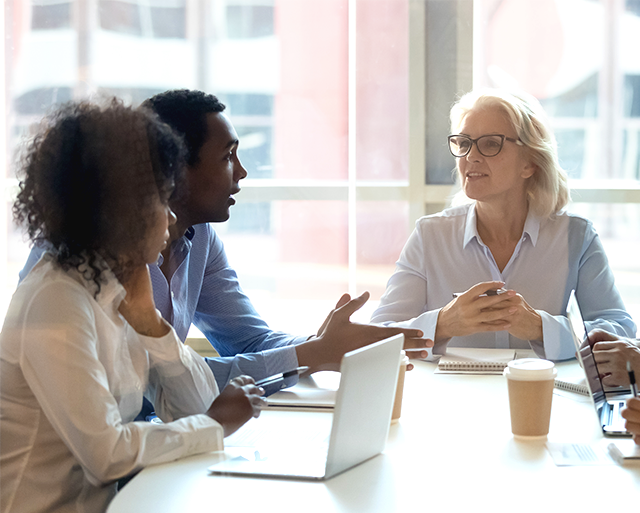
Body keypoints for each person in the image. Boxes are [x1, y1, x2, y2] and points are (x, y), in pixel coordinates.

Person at [20, 89, 431, 399]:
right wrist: (312, 354)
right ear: (173, 167)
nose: (243, 172)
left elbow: (249, 341)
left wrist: (324, 343)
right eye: (228, 157)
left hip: (152, 436)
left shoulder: (200, 239)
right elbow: (152, 383)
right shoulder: (86, 254)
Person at [0, 100, 264, 513]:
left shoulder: (115, 287)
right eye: (161, 199)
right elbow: (107, 455)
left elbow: (196, 405)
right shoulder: (56, 300)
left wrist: (152, 326)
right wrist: (212, 426)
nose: (171, 217)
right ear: (118, 209)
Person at [370, 89, 635, 361]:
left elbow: (622, 332)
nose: (470, 157)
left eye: (489, 144)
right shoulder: (429, 236)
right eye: (463, 143)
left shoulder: (576, 237)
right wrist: (444, 323)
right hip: (450, 398)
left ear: (530, 163)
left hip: (545, 398)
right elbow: (375, 337)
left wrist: (540, 328)